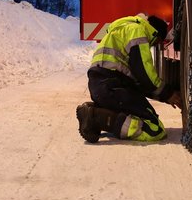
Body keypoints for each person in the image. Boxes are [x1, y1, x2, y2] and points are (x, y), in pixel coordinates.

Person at [76, 14, 182, 143]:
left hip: (102, 87)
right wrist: (168, 93)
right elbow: (144, 73)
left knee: (137, 114)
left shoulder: (122, 29)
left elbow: (138, 81)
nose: (153, 45)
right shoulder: (138, 32)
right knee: (154, 129)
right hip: (113, 86)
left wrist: (165, 96)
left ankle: (98, 111)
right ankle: (96, 117)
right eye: (157, 42)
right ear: (156, 34)